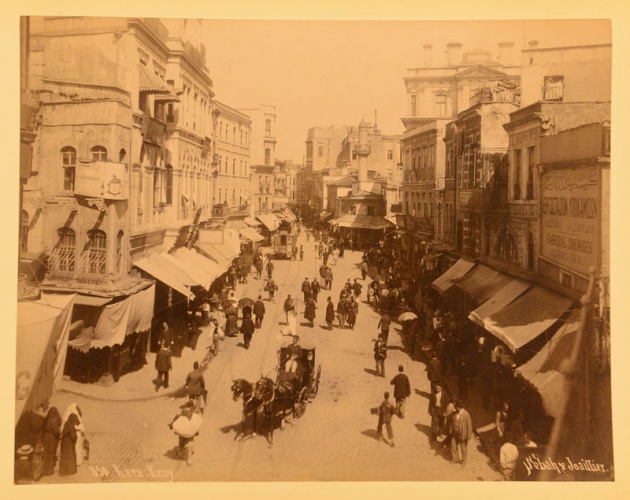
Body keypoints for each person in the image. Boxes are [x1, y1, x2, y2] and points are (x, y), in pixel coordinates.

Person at [168, 401, 201, 466]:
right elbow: (197, 421)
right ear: (192, 407)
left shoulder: (181, 413)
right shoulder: (193, 414)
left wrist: (171, 425)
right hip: (190, 431)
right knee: (190, 442)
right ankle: (189, 459)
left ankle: (180, 451)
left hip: (182, 431)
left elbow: (175, 420)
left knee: (181, 440)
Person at [59, 404, 86, 475]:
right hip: (74, 436)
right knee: (74, 451)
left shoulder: (68, 419)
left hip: (71, 437)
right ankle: (75, 463)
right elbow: (81, 428)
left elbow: (63, 430)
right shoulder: (75, 417)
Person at [450, 400, 473, 467]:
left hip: (463, 434)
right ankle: (455, 459)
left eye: (456, 407)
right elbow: (453, 422)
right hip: (455, 433)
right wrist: (451, 430)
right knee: (453, 446)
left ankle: (464, 461)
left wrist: (468, 435)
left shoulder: (466, 414)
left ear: (459, 407)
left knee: (463, 448)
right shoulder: (455, 413)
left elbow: (469, 426)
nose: (455, 408)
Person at [41, 406, 62, 476]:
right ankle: (49, 470)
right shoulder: (54, 420)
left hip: (45, 437)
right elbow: (56, 431)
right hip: (51, 438)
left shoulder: (46, 419)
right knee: (50, 453)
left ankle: (44, 469)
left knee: (46, 453)